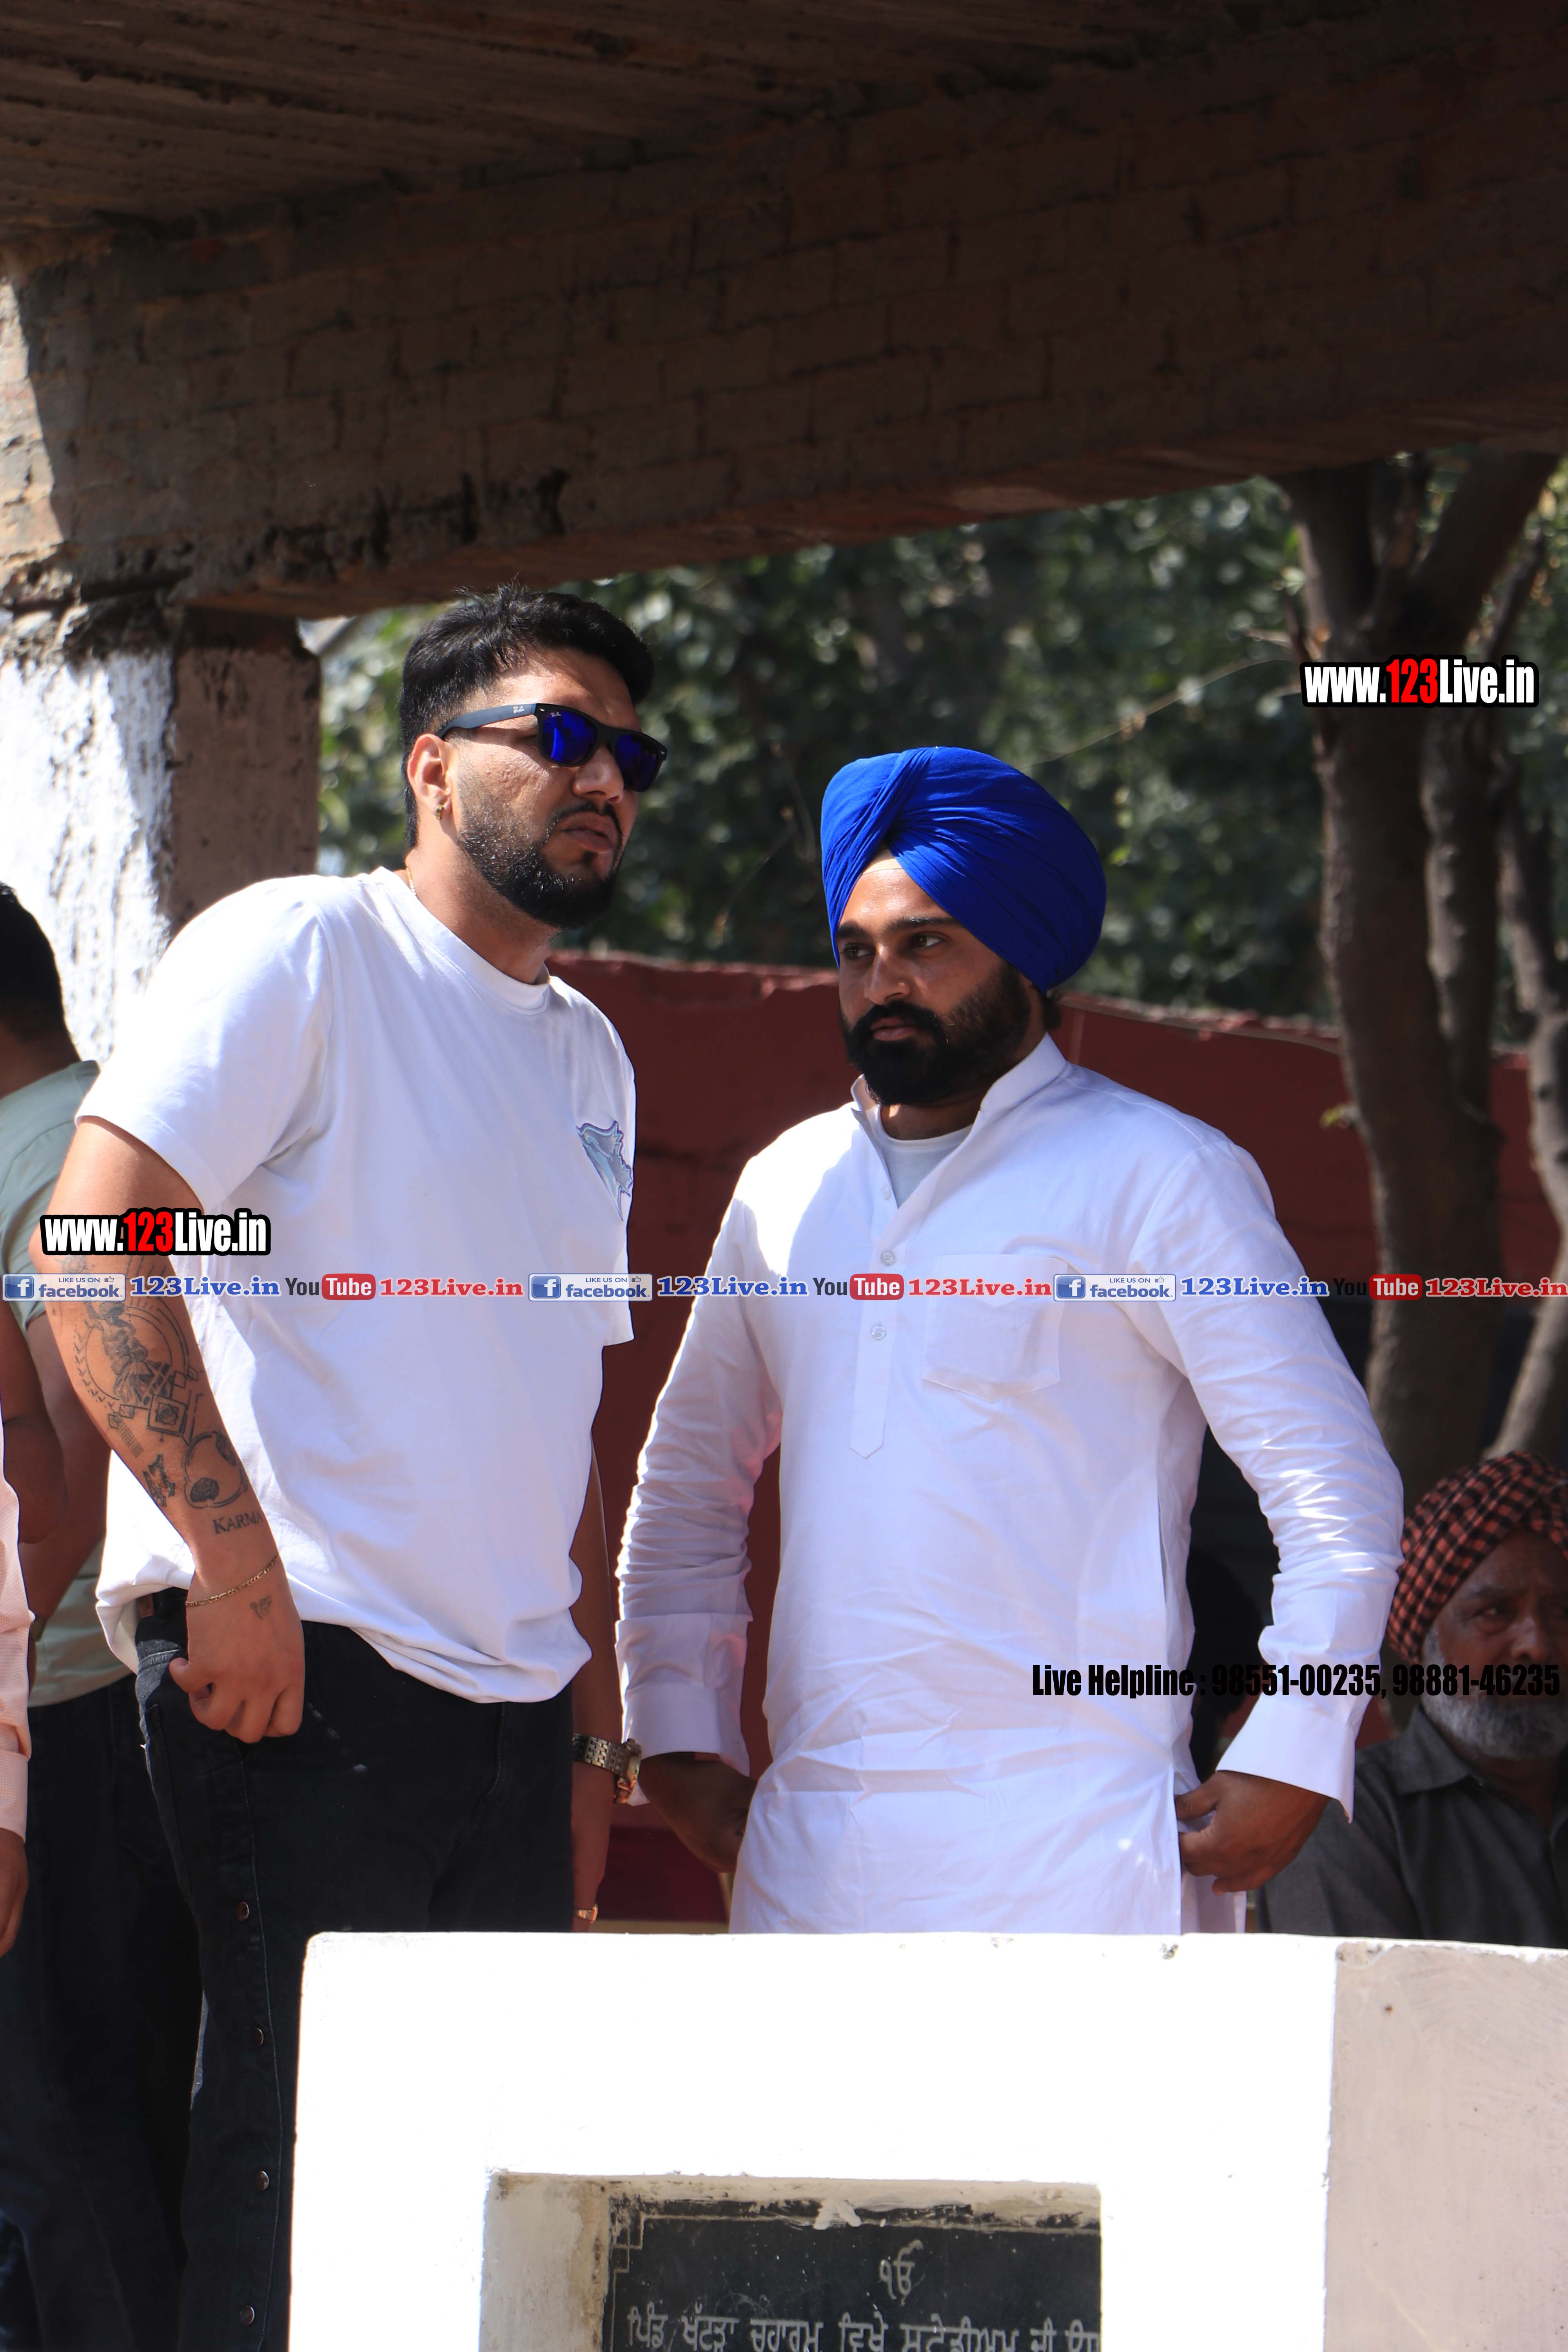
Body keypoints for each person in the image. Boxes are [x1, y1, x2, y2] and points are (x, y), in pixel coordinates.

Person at [33, 586, 659, 2350]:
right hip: (306, 1665)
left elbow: (556, 1397)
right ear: (430, 767)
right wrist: (231, 1567)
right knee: (293, 2176)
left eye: (631, 756)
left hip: (511, 1712)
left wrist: (586, 1726)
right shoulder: (302, 948)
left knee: (476, 2193)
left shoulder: (591, 1053)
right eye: (559, 735)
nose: (602, 778)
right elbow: (98, 1243)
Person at [617, 744, 1403, 1934]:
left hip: (1081, 1856)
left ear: (1025, 959)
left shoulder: (1159, 1173)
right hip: (816, 1859)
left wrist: (1297, 1743)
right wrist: (676, 1735)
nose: (882, 980)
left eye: (925, 943)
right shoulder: (786, 1186)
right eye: (856, 951)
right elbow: (687, 1487)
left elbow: (1333, 1483)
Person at [0, 886, 201, 2352]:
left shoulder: (52, 1157)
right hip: (91, 1718)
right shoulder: (111, 1134)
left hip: (56, 1730)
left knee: (62, 2142)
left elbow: (59, 1487)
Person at [1260, 1451, 1568, 1943]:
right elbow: (1362, 1992)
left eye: (1561, 1612)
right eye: (1494, 1612)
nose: (1537, 1644)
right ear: (1425, 1646)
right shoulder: (1344, 1814)